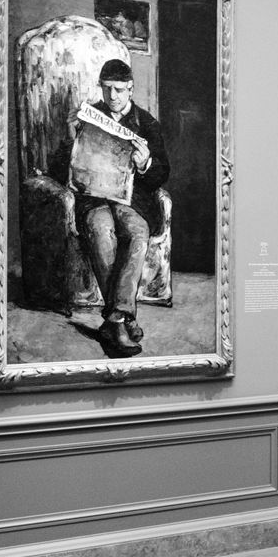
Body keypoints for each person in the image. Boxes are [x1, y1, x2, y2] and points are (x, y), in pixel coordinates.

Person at [71, 59, 170, 357]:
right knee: (100, 231)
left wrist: (145, 163)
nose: (112, 96)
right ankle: (124, 318)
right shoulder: (89, 117)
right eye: (107, 89)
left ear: (131, 89)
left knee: (137, 233)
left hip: (133, 200)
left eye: (119, 90)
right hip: (95, 198)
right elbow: (60, 163)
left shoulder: (147, 123)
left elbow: (162, 172)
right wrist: (71, 140)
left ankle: (114, 319)